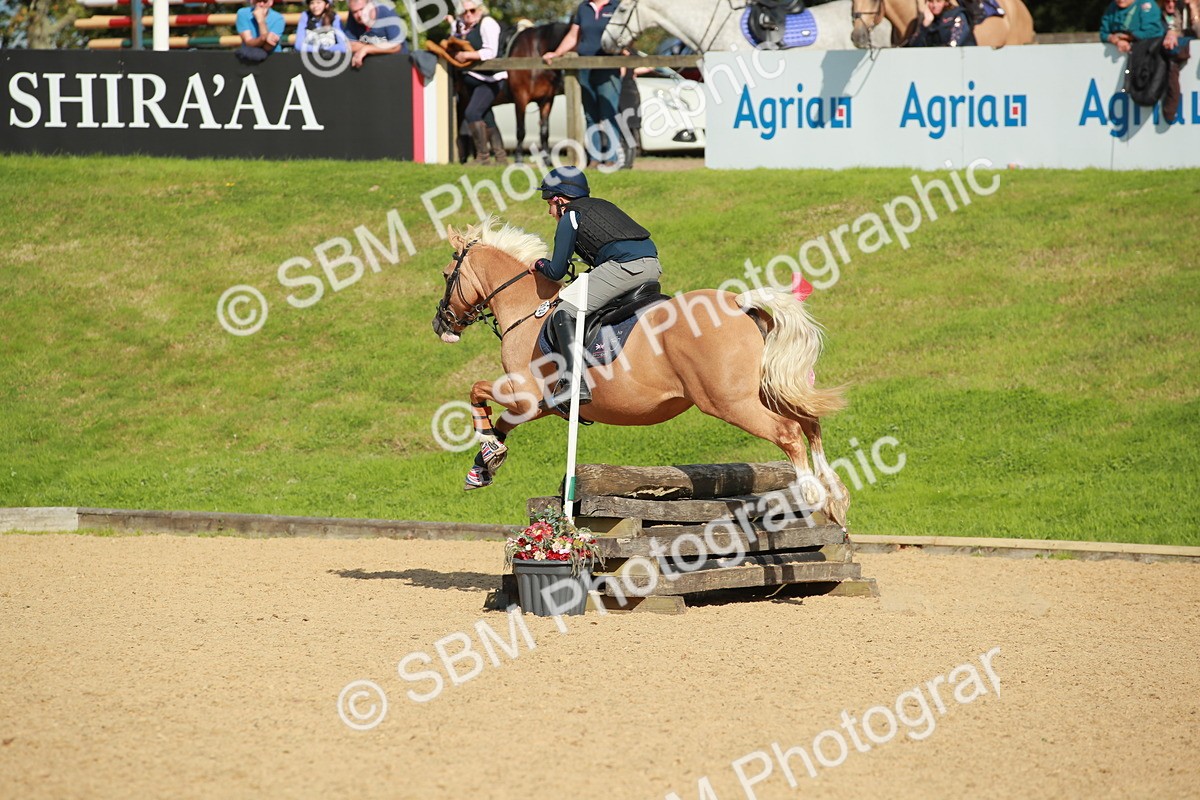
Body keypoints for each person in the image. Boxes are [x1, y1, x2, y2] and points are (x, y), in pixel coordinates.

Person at [529, 166, 661, 414]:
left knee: (564, 311)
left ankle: (573, 383)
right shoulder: (602, 205)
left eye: (549, 203)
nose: (549, 211)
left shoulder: (571, 216)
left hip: (625, 268)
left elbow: (556, 271)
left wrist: (538, 263)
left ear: (560, 199)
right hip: (652, 265)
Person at [542, 0, 622, 168]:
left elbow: (626, 33)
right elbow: (573, 36)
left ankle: (612, 158)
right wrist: (556, 53)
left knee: (608, 113)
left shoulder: (616, 6)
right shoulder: (583, 8)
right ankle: (594, 158)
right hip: (584, 67)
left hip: (608, 66)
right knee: (589, 115)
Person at [447, 0, 508, 165]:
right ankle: (501, 157)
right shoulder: (463, 26)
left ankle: (483, 157)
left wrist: (466, 56)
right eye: (464, 12)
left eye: (472, 11)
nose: (468, 14)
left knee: (472, 113)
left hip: (490, 79)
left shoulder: (487, 23)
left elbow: (490, 52)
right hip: (474, 78)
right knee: (487, 117)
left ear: (480, 10)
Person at [344, 0, 407, 70]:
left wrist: (367, 49)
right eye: (355, 12)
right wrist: (380, 47)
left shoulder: (386, 12)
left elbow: (396, 46)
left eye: (362, 9)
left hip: (397, 65)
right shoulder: (353, 15)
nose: (359, 14)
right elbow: (350, 45)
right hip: (369, 67)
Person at [907, 0, 975, 47]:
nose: (934, 5)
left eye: (938, 1)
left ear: (946, 2)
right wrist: (924, 26)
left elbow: (954, 45)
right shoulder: (926, 20)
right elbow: (914, 47)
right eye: (931, 1)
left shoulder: (958, 15)